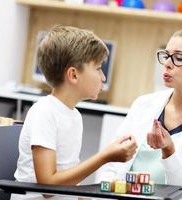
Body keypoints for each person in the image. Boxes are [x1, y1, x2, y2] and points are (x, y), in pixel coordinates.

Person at [98, 28, 182, 199]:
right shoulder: (143, 104)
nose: (167, 63)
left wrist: (169, 152)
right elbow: (112, 164)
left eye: (178, 58)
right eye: (166, 56)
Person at [12, 25, 137, 200]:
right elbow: (48, 188)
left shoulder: (74, 116)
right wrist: (104, 157)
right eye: (98, 68)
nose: (103, 77)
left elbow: (67, 180)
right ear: (73, 75)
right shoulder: (44, 112)